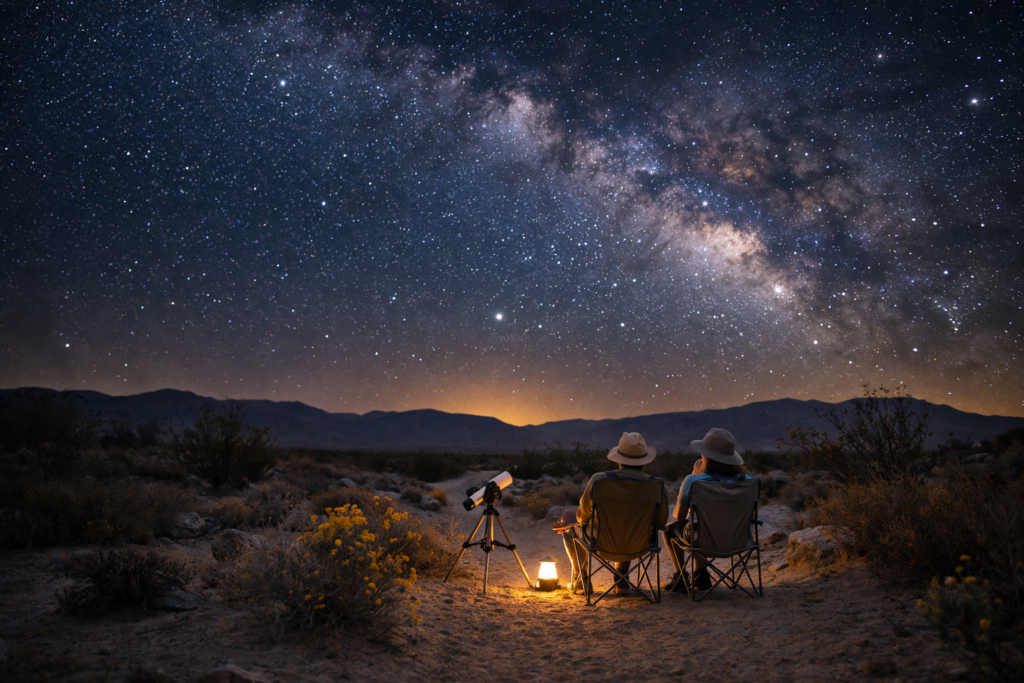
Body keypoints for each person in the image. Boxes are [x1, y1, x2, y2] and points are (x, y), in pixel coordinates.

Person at [555, 432, 669, 595]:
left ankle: (582, 580)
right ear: (644, 463)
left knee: (569, 527)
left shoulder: (599, 480)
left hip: (600, 543)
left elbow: (583, 517)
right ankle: (622, 580)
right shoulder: (657, 485)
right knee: (629, 524)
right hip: (641, 545)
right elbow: (660, 523)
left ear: (619, 461)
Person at [662, 427, 752, 592]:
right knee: (701, 524)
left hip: (703, 540)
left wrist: (695, 476)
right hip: (739, 541)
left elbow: (680, 515)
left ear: (708, 457)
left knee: (673, 529)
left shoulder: (693, 480)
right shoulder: (747, 481)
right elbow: (750, 513)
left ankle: (681, 577)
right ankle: (700, 574)